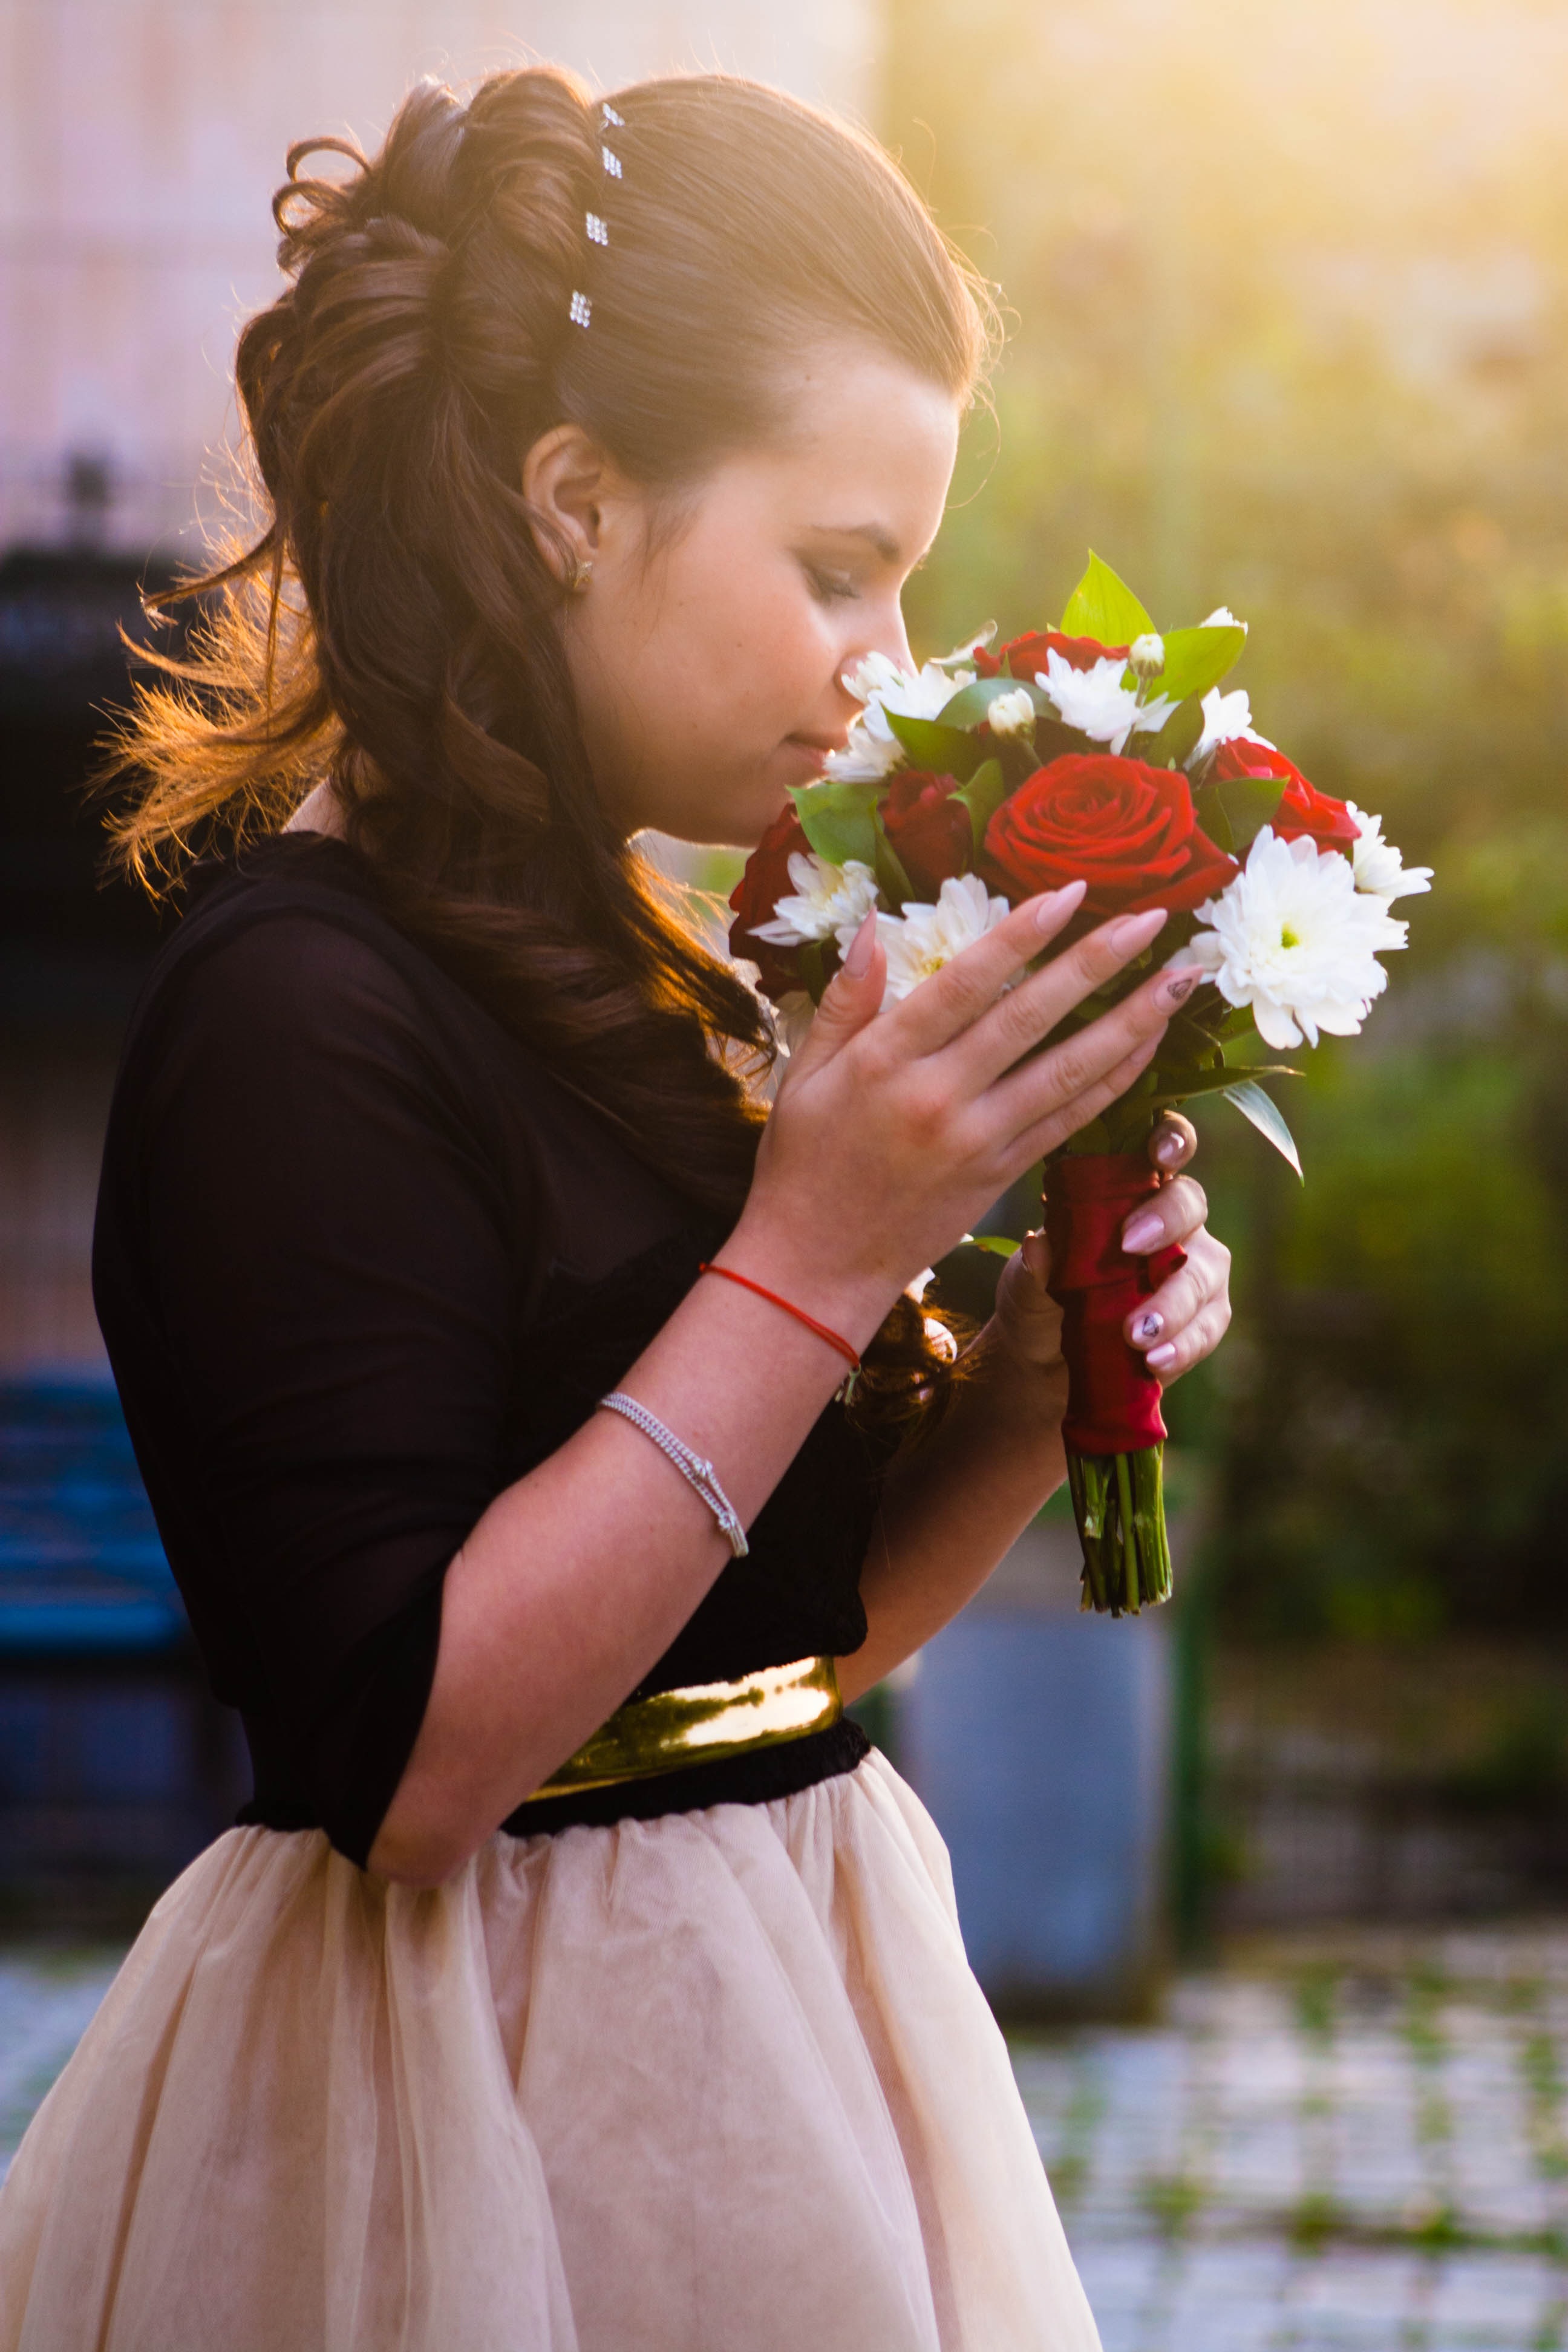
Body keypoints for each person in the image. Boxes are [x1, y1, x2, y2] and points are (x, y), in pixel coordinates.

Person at [0, 66, 1231, 2352]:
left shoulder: (658, 983)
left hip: (790, 2044)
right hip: (454, 2123)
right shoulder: (299, 1011)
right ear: (574, 500)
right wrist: (825, 1248)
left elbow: (776, 1661)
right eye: (836, 568)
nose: (888, 661)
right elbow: (426, 1767)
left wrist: (1041, 1375)